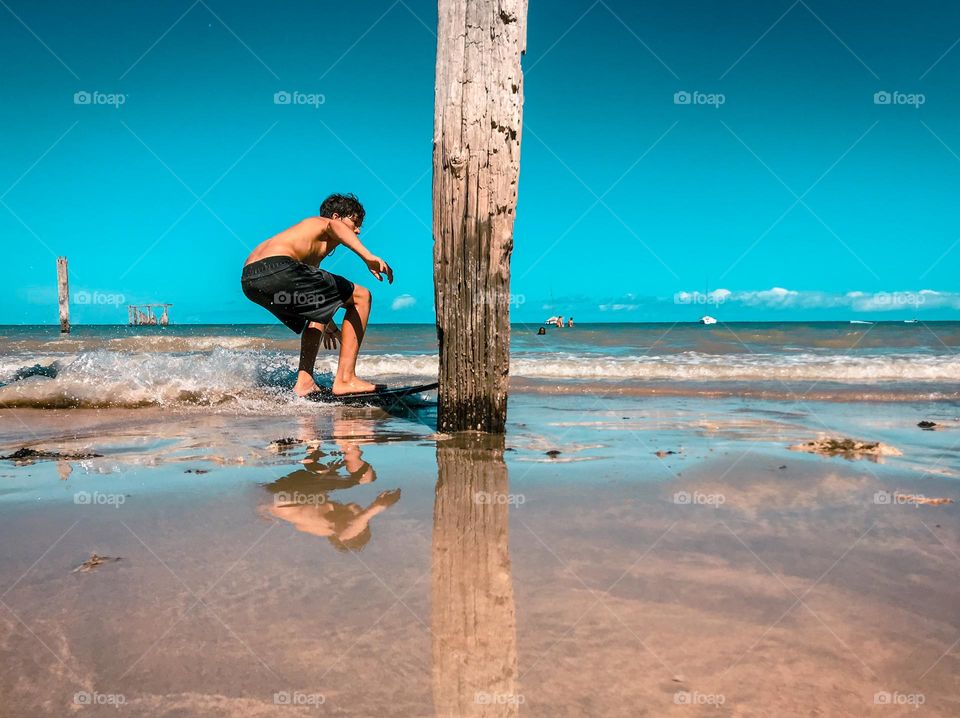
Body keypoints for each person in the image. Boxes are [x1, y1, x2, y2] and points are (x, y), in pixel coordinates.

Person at [241, 193, 393, 397]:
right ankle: (346, 379)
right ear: (337, 216)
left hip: (251, 279)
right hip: (280, 267)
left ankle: (304, 382)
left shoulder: (306, 248)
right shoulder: (322, 222)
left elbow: (318, 301)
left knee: (318, 312)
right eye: (355, 222)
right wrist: (368, 257)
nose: (357, 230)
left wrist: (331, 328)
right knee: (362, 296)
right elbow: (333, 226)